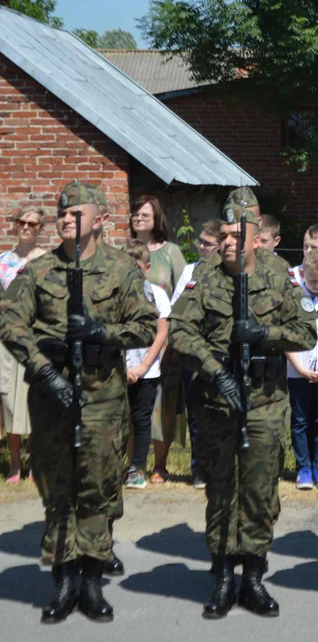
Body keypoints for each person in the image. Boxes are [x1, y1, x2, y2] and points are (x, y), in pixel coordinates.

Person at [0, 181, 157, 624]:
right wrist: (43, 370)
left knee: (98, 487)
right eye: (62, 214)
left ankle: (91, 583)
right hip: (52, 397)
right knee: (56, 489)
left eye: (76, 213)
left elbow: (146, 325)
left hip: (102, 396)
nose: (67, 220)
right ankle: (63, 581)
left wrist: (101, 333)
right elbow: (9, 320)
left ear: (101, 219)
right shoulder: (40, 269)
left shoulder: (123, 269)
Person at [169, 202, 316, 620]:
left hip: (265, 403)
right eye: (225, 234)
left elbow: (305, 331)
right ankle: (221, 575)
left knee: (259, 489)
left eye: (237, 235)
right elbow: (179, 330)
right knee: (220, 489)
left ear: (255, 237)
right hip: (218, 402)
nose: (229, 242)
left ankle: (253, 575)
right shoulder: (204, 275)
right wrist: (215, 370)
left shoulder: (279, 277)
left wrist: (265, 333)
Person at [130, 195, 188, 485]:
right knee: (132, 406)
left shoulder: (171, 253)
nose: (139, 219)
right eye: (136, 214)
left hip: (165, 343)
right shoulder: (123, 252)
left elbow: (183, 296)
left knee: (161, 405)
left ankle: (160, 466)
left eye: (145, 215)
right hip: (130, 344)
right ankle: (133, 465)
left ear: (157, 219)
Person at [171, 219, 221, 490]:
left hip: (219, 355)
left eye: (207, 243)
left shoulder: (227, 273)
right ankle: (199, 468)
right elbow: (176, 309)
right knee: (196, 415)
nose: (201, 246)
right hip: (193, 355)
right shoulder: (189, 271)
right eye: (200, 241)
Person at [121, 241, 172, 490]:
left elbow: (162, 333)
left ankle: (136, 469)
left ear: (147, 267)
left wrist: (142, 367)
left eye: (137, 265)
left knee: (141, 420)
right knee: (116, 420)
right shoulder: (114, 293)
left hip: (147, 370)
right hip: (117, 369)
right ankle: (112, 466)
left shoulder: (156, 294)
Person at [1, 205, 46, 483]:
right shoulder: (2, 260)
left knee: (35, 401)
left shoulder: (48, 260)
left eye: (33, 223)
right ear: (15, 226)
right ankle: (15, 463)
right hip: (6, 340)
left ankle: (36, 461)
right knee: (8, 400)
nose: (27, 227)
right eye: (22, 222)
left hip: (36, 339)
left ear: (41, 229)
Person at [286, 248, 318, 491]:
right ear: (302, 273)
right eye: (312, 279)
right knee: (300, 421)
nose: (316, 284)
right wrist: (300, 368)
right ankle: (303, 468)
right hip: (298, 372)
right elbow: (286, 338)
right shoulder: (293, 297)